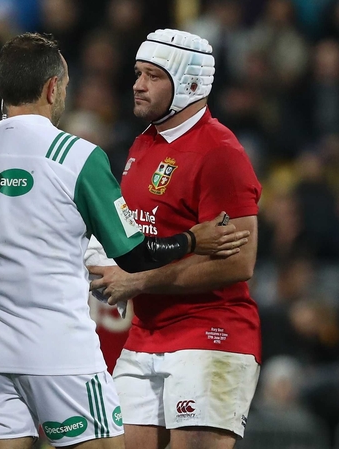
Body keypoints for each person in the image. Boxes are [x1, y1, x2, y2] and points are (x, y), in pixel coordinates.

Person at [0, 32, 249, 449]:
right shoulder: (78, 158)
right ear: (53, 87)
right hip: (63, 357)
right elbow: (135, 255)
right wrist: (191, 240)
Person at [88, 29, 262, 449]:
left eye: (152, 75)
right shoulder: (142, 144)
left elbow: (239, 262)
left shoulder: (220, 151)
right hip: (145, 334)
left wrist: (137, 282)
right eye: (136, 73)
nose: (137, 84)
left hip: (209, 334)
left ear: (188, 83)